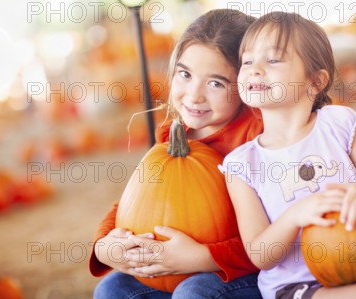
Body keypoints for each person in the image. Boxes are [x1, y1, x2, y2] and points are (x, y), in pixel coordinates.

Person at [220, 11, 356, 299]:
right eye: (248, 61)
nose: (255, 69)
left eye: (273, 59)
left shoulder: (337, 124)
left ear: (315, 82)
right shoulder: (242, 164)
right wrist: (295, 216)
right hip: (299, 285)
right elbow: (260, 255)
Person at [91, 9, 264, 298]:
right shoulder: (173, 134)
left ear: (246, 82)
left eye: (216, 83)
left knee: (193, 292)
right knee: (113, 289)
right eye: (185, 74)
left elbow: (276, 239)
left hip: (246, 274)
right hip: (174, 270)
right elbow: (135, 199)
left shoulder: (256, 138)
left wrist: (201, 257)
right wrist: (106, 245)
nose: (194, 95)